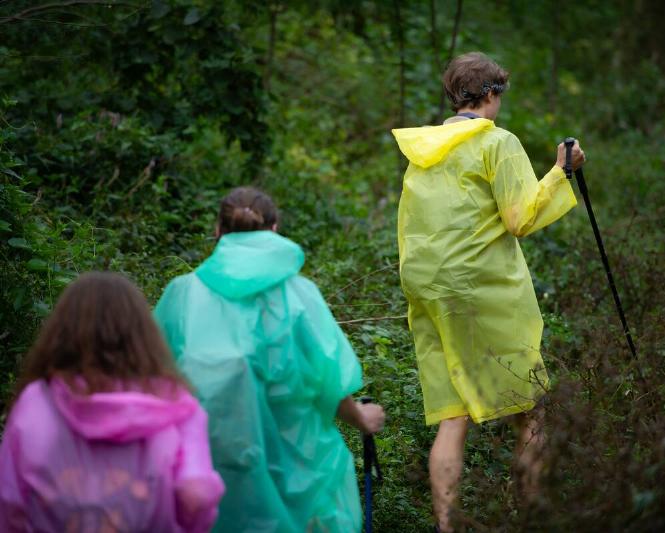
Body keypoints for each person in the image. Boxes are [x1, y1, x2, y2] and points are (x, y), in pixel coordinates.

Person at [392, 51, 586, 531]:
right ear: (491, 94)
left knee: (452, 416)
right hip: (480, 288)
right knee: (530, 411)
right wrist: (561, 171)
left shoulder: (424, 149)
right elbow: (519, 218)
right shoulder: (496, 143)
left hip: (429, 288)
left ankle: (445, 525)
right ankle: (534, 516)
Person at [154, 186, 385, 533]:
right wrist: (362, 419)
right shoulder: (300, 295)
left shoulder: (182, 294)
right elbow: (329, 383)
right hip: (299, 474)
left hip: (212, 469)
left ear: (217, 231)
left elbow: (152, 379)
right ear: (275, 230)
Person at [0, 272, 224, 532]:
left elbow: (10, 501)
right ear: (143, 334)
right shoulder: (175, 404)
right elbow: (196, 494)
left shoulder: (36, 400)